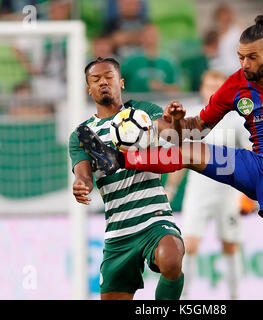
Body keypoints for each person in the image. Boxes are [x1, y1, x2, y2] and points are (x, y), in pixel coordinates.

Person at [76, 16, 263, 273]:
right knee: (188, 152)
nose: (244, 64)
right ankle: (118, 159)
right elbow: (195, 130)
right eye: (240, 57)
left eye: (251, 58)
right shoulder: (236, 85)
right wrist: (176, 121)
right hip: (255, 162)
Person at [69, 57, 185, 300]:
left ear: (120, 82)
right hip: (119, 230)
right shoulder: (83, 134)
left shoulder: (142, 112)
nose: (103, 82)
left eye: (109, 77)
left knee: (171, 258)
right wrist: (81, 185)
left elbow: (171, 132)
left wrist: (175, 120)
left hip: (154, 218)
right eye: (96, 79)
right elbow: (83, 175)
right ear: (88, 89)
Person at [164, 70, 249, 300]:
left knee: (230, 244)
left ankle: (234, 296)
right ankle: (185, 298)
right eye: (209, 85)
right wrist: (170, 189)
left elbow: (250, 156)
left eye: (217, 86)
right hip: (198, 190)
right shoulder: (191, 117)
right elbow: (181, 158)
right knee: (189, 245)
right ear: (201, 88)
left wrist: (251, 194)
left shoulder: (236, 119)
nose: (212, 90)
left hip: (227, 191)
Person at [121, 23, 180, 94]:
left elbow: (175, 89)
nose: (150, 39)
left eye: (153, 35)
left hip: (161, 103)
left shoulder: (168, 62)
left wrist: (161, 87)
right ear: (141, 37)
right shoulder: (131, 61)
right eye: (147, 36)